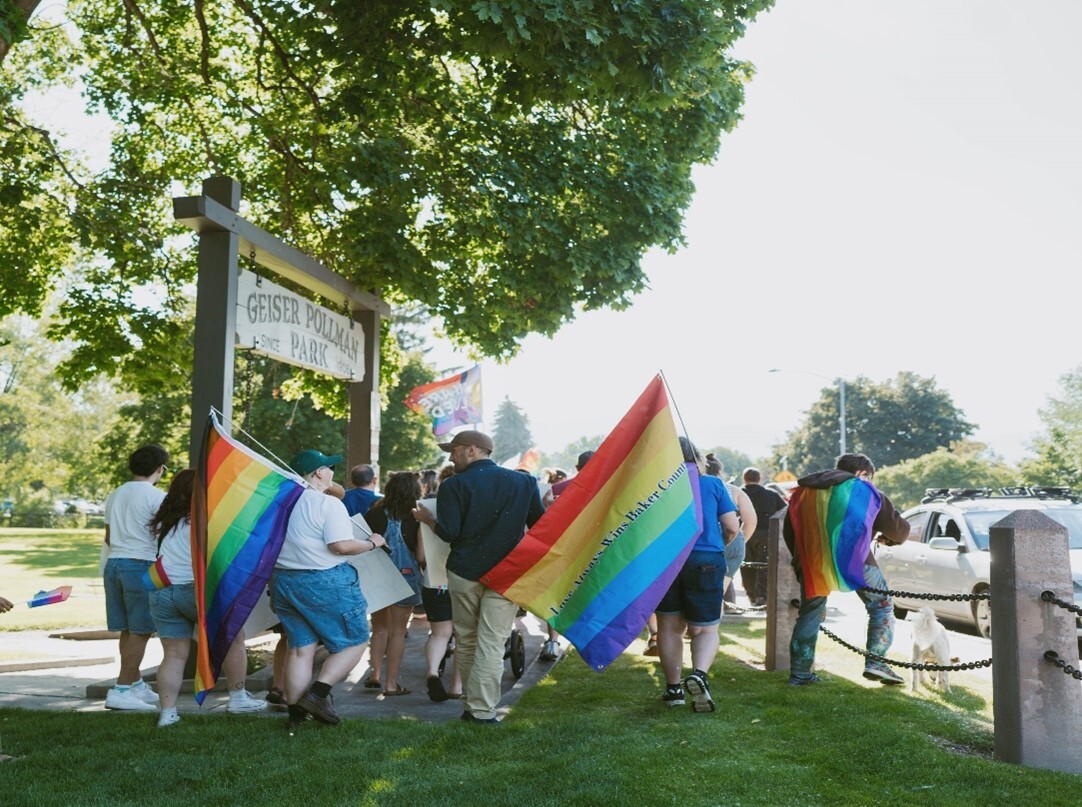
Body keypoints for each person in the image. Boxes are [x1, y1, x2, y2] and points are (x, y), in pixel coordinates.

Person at [412, 430, 543, 725]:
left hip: (464, 570)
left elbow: (449, 533)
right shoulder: (524, 482)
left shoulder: (454, 485)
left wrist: (428, 520)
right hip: (508, 572)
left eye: (454, 450)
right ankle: (480, 708)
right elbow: (539, 526)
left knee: (468, 640)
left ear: (472, 450)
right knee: (492, 642)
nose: (450, 456)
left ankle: (477, 709)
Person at [272, 448, 388, 732]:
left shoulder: (278, 503)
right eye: (328, 468)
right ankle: (318, 695)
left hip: (284, 581)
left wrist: (323, 483)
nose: (333, 473)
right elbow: (341, 546)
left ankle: (296, 716)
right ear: (318, 473)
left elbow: (337, 491)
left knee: (300, 649)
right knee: (356, 641)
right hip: (324, 580)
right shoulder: (327, 505)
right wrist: (373, 542)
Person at [147, 470, 266, 727]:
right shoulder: (205, 522)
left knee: (174, 655)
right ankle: (237, 697)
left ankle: (167, 714)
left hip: (163, 593)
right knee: (234, 638)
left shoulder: (167, 522)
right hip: (196, 592)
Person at [784, 453, 909, 686]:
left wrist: (800, 561)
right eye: (869, 477)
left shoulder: (802, 493)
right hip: (858, 562)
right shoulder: (864, 491)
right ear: (862, 473)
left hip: (813, 563)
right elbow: (899, 531)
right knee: (881, 605)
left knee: (810, 614)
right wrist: (887, 538)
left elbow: (790, 532)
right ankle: (876, 663)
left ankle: (800, 674)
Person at [656, 438, 739, 713]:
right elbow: (731, 526)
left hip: (666, 560)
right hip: (706, 558)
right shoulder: (712, 484)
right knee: (705, 628)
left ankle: (673, 689)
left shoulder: (653, 485)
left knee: (669, 627)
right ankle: (699, 675)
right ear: (698, 457)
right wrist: (720, 545)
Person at [102, 443, 169, 711]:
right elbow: (165, 537)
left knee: (128, 628)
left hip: (114, 562)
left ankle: (135, 683)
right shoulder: (157, 497)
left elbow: (108, 536)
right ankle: (120, 689)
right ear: (159, 469)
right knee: (141, 630)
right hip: (140, 564)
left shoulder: (115, 494)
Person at [362, 471, 425, 696]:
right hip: (406, 577)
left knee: (379, 628)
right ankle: (391, 684)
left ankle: (375, 675)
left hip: (378, 576)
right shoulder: (417, 517)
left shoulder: (374, 514)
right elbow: (420, 557)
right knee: (398, 632)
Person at [414, 468, 463, 702]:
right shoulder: (469, 510)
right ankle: (457, 687)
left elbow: (421, 556)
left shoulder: (425, 511)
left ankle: (433, 673)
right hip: (463, 580)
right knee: (464, 636)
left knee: (439, 634)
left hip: (434, 582)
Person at [705, 454, 757, 610]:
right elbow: (750, 521)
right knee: (718, 592)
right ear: (720, 471)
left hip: (706, 541)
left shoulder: (696, 487)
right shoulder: (733, 490)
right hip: (732, 540)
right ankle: (712, 629)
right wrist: (739, 540)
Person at [741, 467, 787, 607]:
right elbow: (785, 510)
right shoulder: (771, 494)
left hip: (745, 533)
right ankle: (762, 595)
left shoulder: (739, 493)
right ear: (759, 479)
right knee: (764, 565)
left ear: (744, 478)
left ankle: (751, 596)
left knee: (746, 565)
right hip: (767, 533)